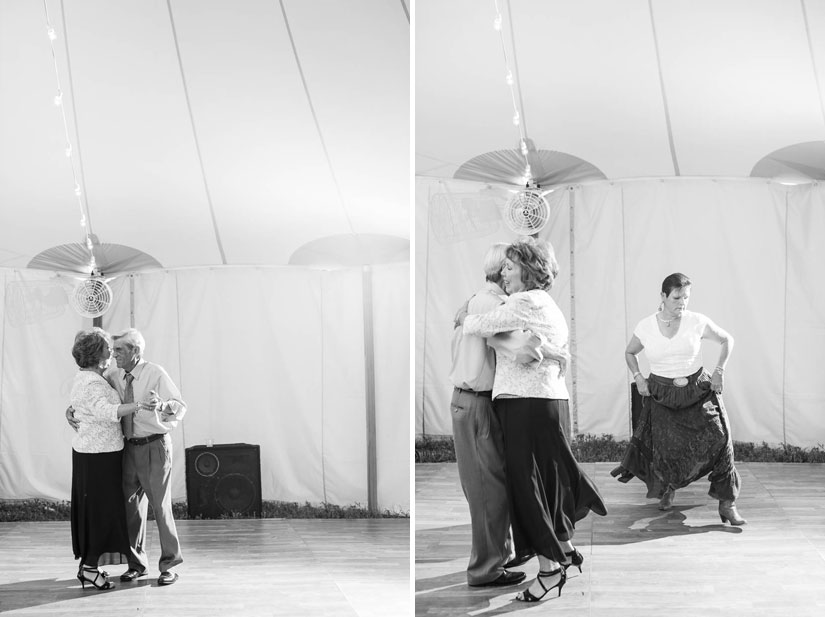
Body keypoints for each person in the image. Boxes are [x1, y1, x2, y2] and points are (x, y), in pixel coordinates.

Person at [461, 237, 607, 603]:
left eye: (510, 267)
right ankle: (565, 549)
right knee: (548, 484)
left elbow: (480, 324)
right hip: (547, 402)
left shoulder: (523, 301)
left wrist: (464, 315)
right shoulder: (546, 303)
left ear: (526, 270)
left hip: (527, 405)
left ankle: (548, 570)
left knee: (528, 490)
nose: (503, 274)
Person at [611, 273, 745, 525]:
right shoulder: (646, 326)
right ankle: (667, 488)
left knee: (722, 438)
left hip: (697, 390)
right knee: (666, 448)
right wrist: (639, 376)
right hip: (662, 393)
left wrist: (719, 371)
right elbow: (630, 352)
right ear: (662, 296)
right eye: (677, 297)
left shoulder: (696, 321)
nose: (682, 302)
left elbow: (728, 340)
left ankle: (728, 503)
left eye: (686, 297)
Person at [67, 328, 188, 585]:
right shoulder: (113, 374)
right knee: (130, 510)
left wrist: (163, 406)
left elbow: (179, 405)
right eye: (112, 350)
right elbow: (92, 398)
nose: (113, 355)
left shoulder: (155, 373)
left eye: (119, 350)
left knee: (160, 507)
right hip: (127, 449)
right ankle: (137, 564)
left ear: (135, 351)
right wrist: (71, 410)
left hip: (154, 447)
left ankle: (169, 565)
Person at [449, 243, 530, 588]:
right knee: (488, 491)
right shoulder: (492, 306)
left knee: (488, 487)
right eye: (513, 268)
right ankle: (486, 570)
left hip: (470, 402)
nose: (517, 275)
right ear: (502, 270)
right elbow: (522, 350)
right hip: (478, 404)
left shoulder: (474, 300)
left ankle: (499, 556)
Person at [69, 328, 150, 590]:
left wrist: (70, 410)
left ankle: (88, 566)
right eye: (108, 348)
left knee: (98, 512)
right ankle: (90, 568)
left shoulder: (94, 377)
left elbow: (83, 406)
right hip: (98, 458)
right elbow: (106, 411)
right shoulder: (91, 382)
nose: (112, 352)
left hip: (98, 454)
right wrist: (139, 405)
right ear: (96, 353)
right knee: (101, 513)